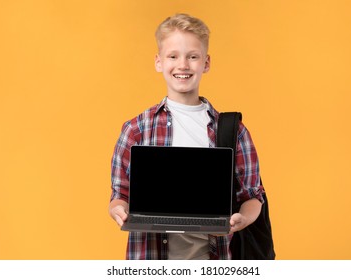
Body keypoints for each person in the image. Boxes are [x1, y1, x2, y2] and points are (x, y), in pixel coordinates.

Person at [108, 13, 264, 260]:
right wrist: (119, 211)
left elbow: (253, 196)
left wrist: (242, 218)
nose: (183, 65)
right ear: (159, 62)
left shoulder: (233, 132)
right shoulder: (136, 130)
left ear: (206, 63)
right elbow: (120, 196)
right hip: (151, 260)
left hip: (212, 260)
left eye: (193, 56)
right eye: (173, 56)